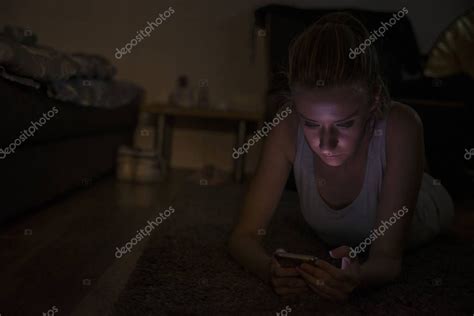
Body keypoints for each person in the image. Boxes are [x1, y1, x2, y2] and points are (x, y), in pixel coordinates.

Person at [227, 12, 454, 301]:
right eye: (311, 124)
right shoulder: (286, 126)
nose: (326, 144)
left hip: (429, 203)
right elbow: (243, 236)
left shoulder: (401, 124)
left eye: (344, 123)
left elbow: (388, 260)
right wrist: (268, 270)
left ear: (373, 100)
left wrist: (358, 279)